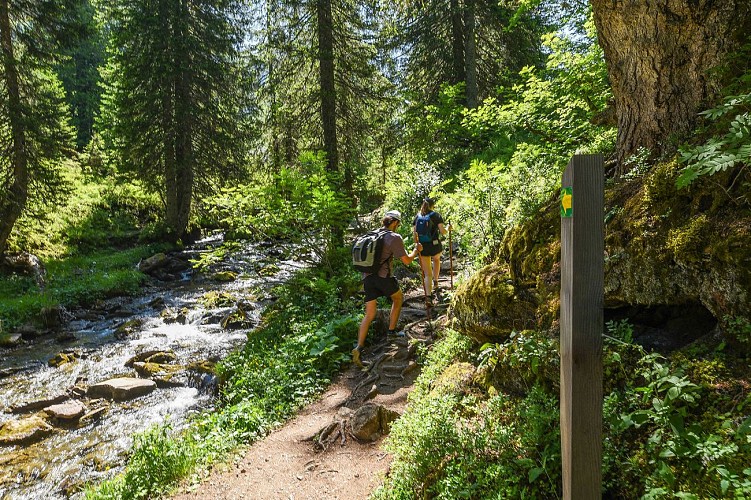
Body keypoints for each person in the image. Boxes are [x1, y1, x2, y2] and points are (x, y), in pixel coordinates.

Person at [352, 210, 422, 367]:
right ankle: (391, 332)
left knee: (369, 314)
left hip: (367, 279)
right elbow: (407, 261)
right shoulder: (394, 237)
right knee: (398, 299)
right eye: (399, 224)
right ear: (395, 222)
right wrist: (416, 251)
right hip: (384, 278)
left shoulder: (372, 234)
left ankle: (358, 347)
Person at [412, 197, 449, 305]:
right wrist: (448, 228)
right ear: (433, 205)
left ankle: (428, 297)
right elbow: (443, 232)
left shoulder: (417, 217)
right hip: (434, 245)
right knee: (436, 260)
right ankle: (436, 282)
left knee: (427, 273)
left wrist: (417, 244)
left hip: (422, 246)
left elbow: (415, 236)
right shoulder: (436, 215)